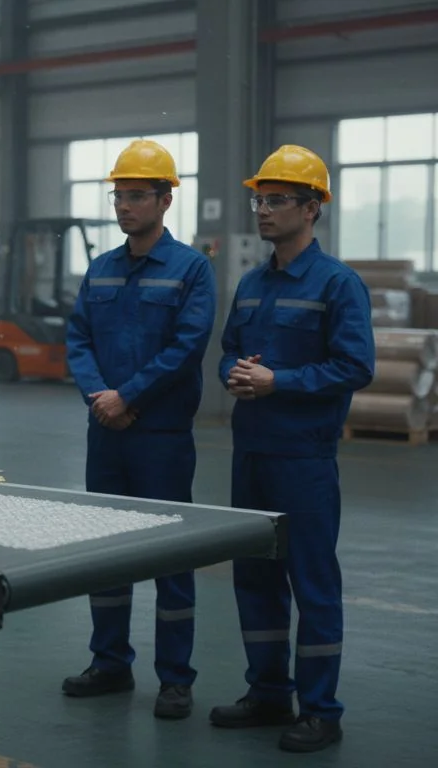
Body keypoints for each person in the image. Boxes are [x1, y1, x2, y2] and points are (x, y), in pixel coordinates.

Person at [209, 144, 374, 753]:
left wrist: (281, 381)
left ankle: (321, 710)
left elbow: (356, 365)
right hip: (250, 452)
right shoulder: (252, 283)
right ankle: (269, 692)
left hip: (303, 458)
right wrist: (237, 369)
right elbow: (228, 348)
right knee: (254, 579)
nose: (263, 210)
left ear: (312, 210)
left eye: (276, 200)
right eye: (260, 199)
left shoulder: (338, 284)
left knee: (311, 582)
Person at [63, 139, 217, 720]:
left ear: (165, 199)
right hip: (106, 432)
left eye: (135, 196)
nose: (123, 206)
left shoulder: (191, 269)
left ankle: (175, 678)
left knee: (171, 554)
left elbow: (187, 347)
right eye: (118, 195)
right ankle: (110, 662)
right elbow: (78, 339)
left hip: (161, 437)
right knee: (106, 552)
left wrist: (127, 397)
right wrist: (101, 399)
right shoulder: (101, 269)